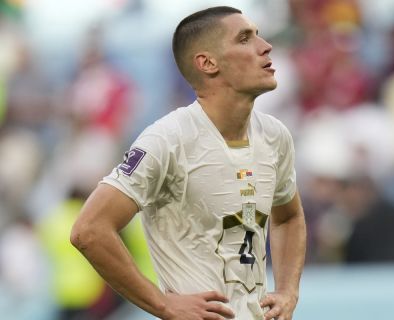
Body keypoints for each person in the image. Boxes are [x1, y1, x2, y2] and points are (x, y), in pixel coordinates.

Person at [70, 6, 306, 320]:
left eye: (259, 36)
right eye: (245, 39)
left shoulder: (275, 136)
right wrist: (162, 304)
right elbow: (89, 230)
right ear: (208, 63)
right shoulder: (167, 140)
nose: (265, 47)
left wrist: (288, 290)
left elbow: (288, 217)